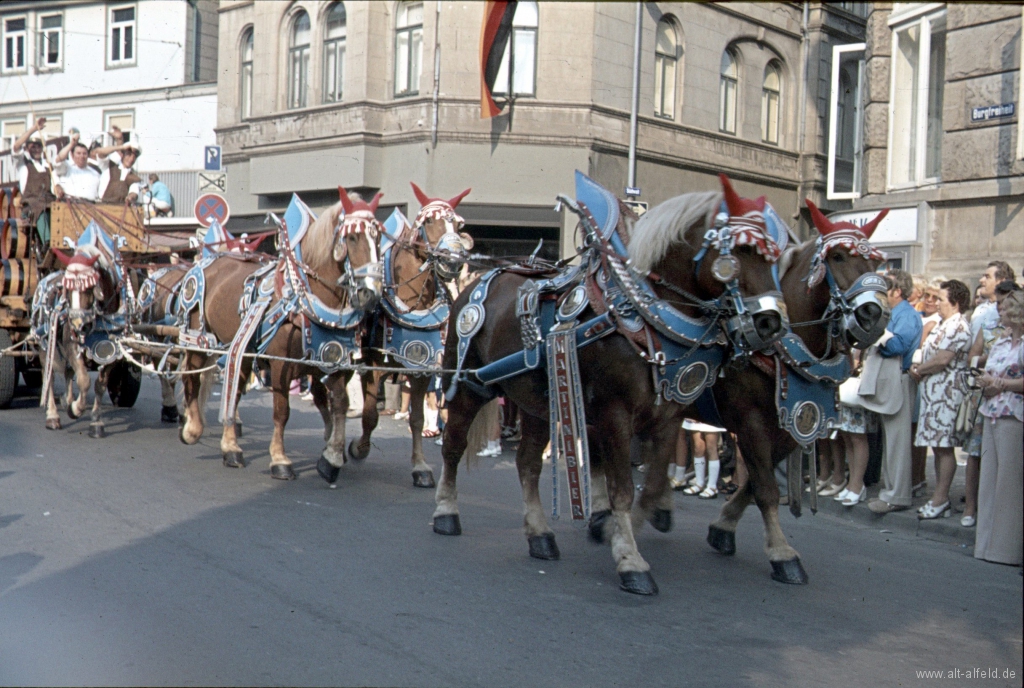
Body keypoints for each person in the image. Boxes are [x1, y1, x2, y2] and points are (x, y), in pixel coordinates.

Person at [911, 279, 973, 520]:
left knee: (945, 446)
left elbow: (942, 359)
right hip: (933, 392)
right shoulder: (942, 324)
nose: (937, 303)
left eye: (942, 300)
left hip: (947, 393)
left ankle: (941, 497)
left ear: (955, 304)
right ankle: (940, 496)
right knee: (937, 446)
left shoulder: (958, 326)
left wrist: (919, 370)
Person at [961, 264, 1017, 527]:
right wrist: (984, 366)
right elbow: (974, 356)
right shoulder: (988, 324)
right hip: (986, 399)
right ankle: (972, 509)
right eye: (1000, 304)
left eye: (1006, 305)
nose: (1001, 309)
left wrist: (1000, 380)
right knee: (976, 453)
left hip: (1010, 405)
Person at [866, 270, 924, 514]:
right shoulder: (894, 313)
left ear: (897, 291)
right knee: (891, 439)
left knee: (898, 441)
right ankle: (890, 491)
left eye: (885, 289)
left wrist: (878, 332)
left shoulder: (907, 316)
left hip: (900, 379)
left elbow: (897, 346)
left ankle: (898, 495)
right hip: (891, 378)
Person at [974, 291, 1024, 566]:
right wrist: (987, 381)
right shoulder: (1001, 342)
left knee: (1009, 482)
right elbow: (989, 371)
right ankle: (985, 546)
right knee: (990, 479)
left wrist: (1002, 384)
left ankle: (1005, 549)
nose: (1000, 313)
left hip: (1014, 415)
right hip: (991, 412)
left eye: (1004, 310)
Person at [11, 116, 56, 245]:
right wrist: (34, 128)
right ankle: (47, 243)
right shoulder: (22, 163)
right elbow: (16, 146)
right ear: (27, 149)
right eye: (33, 147)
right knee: (40, 208)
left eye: (39, 147)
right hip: (31, 206)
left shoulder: (48, 166)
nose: (36, 149)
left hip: (49, 202)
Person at [680, 419, 725, 499]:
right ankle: (699, 483)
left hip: (709, 412)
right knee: (698, 448)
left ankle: (712, 487)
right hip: (697, 411)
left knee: (711, 447)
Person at [53, 131, 101, 202]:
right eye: (78, 153)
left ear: (88, 155)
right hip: (68, 206)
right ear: (72, 155)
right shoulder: (66, 168)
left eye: (84, 153)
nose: (82, 156)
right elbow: (59, 159)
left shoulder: (95, 174)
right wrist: (71, 144)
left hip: (90, 207)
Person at [92, 140, 143, 205]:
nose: (131, 159)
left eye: (134, 157)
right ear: (122, 154)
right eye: (129, 154)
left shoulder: (135, 178)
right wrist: (120, 148)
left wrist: (130, 197)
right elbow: (100, 152)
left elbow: (134, 192)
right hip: (101, 206)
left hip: (120, 210)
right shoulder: (108, 165)